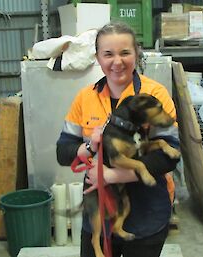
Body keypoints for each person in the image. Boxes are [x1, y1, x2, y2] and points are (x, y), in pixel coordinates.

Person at [56, 22, 180, 257]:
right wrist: (90, 145)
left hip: (148, 213)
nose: (117, 62)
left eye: (125, 53)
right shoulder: (85, 98)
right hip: (101, 212)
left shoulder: (154, 95)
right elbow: (63, 152)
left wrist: (112, 175)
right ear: (97, 58)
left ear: (136, 54)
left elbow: (169, 156)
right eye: (108, 54)